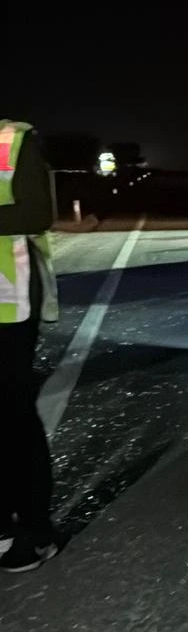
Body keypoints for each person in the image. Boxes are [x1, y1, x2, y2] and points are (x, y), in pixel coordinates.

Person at [0, 118, 65, 573]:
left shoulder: (13, 141)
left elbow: (37, 213)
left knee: (14, 413)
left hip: (9, 301)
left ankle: (38, 531)